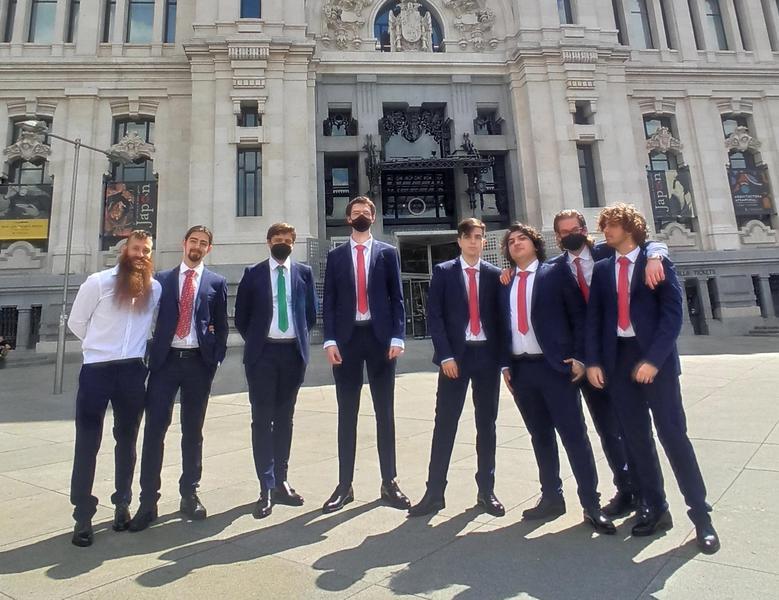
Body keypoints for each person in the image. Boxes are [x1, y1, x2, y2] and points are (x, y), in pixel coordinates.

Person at [586, 203, 720, 554]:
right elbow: (595, 319)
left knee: (673, 436)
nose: (606, 231)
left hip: (654, 362)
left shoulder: (655, 262)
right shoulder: (602, 268)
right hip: (617, 362)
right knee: (636, 439)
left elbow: (673, 316)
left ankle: (701, 516)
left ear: (630, 228)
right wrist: (594, 361)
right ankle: (656, 507)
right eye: (604, 226)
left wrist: (653, 361)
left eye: (612, 225)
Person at [548, 209, 668, 517]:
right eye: (563, 232)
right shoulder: (554, 270)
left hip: (621, 353)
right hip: (586, 360)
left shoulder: (608, 251)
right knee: (607, 430)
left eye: (574, 229)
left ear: (585, 229)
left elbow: (648, 244)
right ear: (557, 236)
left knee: (633, 428)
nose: (569, 235)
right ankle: (625, 488)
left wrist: (657, 254)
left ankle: (647, 494)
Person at [498, 223, 615, 533]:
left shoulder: (555, 272)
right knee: (540, 436)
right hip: (522, 370)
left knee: (574, 436)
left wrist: (580, 357)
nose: (516, 243)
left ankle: (591, 504)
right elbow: (501, 327)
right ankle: (551, 496)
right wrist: (505, 366)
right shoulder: (505, 281)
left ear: (535, 244)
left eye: (522, 238)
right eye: (511, 241)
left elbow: (578, 316)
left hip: (555, 368)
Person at [129, 226, 229, 532]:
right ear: (183, 244)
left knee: (193, 431)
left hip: (198, 364)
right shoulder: (161, 280)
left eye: (203, 243)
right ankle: (148, 501)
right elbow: (143, 316)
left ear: (209, 249)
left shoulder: (216, 282)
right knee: (154, 431)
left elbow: (222, 324)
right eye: (193, 241)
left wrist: (215, 358)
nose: (197, 246)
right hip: (166, 362)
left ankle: (189, 494)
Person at [67, 230, 162, 547]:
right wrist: (98, 346)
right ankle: (83, 514)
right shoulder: (98, 283)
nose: (141, 255)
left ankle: (123, 503)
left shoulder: (155, 288)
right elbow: (76, 322)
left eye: (146, 250)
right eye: (136, 249)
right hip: (97, 370)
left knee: (127, 439)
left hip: (132, 371)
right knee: (87, 441)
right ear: (125, 250)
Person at [409, 218, 505, 518]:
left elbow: (502, 319)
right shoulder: (444, 272)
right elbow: (435, 316)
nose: (474, 241)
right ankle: (434, 492)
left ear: (484, 241)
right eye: (468, 237)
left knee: (486, 425)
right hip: (455, 359)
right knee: (445, 424)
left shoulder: (494, 275)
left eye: (479, 236)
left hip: (486, 357)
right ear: (460, 241)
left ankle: (486, 490)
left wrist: (504, 362)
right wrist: (445, 356)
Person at [321, 196, 409, 513]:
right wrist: (329, 340)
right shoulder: (336, 256)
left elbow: (397, 298)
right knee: (347, 413)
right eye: (355, 212)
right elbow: (329, 301)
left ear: (373, 217)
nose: (360, 215)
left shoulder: (387, 253)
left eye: (366, 212)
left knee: (385, 412)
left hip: (380, 339)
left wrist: (398, 336)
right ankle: (344, 485)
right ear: (348, 219)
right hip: (346, 341)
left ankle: (389, 481)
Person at [234, 223, 318, 519]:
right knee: (262, 420)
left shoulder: (304, 273)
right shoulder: (253, 273)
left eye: (288, 240)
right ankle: (266, 486)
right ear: (268, 242)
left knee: (285, 419)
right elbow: (241, 317)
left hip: (293, 354)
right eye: (278, 239)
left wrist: (294, 339)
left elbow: (310, 315)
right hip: (263, 356)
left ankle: (281, 480)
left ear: (293, 244)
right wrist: (261, 340)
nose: (283, 243)